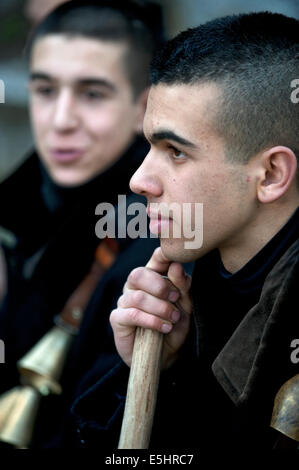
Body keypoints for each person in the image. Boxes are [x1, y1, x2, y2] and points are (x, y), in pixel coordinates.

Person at [68, 12, 299, 450]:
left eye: (175, 151)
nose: (139, 181)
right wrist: (160, 372)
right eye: (149, 145)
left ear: (270, 174)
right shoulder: (178, 286)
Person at [0, 0, 163, 448]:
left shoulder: (158, 235)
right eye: (45, 90)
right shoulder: (20, 204)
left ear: (142, 107)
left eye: (92, 94)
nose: (61, 120)